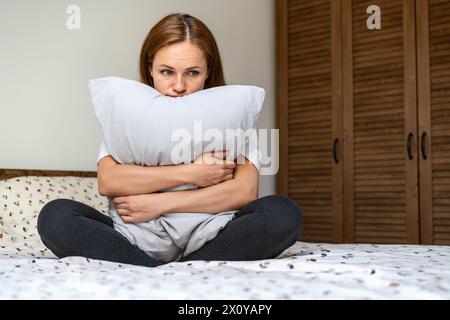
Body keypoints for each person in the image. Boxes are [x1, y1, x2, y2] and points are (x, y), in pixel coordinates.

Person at [37, 13, 302, 267]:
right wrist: (192, 173)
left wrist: (159, 203)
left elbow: (244, 192)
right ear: (150, 68)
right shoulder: (129, 112)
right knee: (56, 216)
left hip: (212, 236)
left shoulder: (230, 113)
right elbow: (109, 181)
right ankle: (156, 267)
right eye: (166, 72)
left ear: (208, 71)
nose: (178, 86)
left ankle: (182, 268)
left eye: (192, 72)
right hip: (135, 240)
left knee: (282, 213)